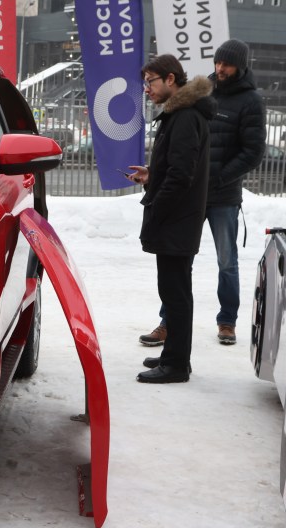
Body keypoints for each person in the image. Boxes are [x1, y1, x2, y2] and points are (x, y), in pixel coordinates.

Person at [138, 39, 266, 347]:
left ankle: (227, 321)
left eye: (227, 64)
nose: (220, 69)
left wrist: (218, 177)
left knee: (227, 261)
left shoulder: (251, 100)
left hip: (223, 194)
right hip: (190, 191)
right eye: (217, 63)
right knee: (180, 263)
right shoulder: (203, 91)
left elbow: (253, 152)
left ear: (241, 66)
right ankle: (167, 324)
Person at [128, 55, 216, 383]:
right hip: (178, 218)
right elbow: (175, 169)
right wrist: (152, 175)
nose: (146, 89)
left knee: (175, 293)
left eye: (150, 81)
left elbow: (181, 176)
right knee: (174, 291)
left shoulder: (184, 117)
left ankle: (177, 365)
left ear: (169, 79)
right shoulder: (180, 115)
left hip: (176, 219)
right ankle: (175, 356)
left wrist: (157, 210)